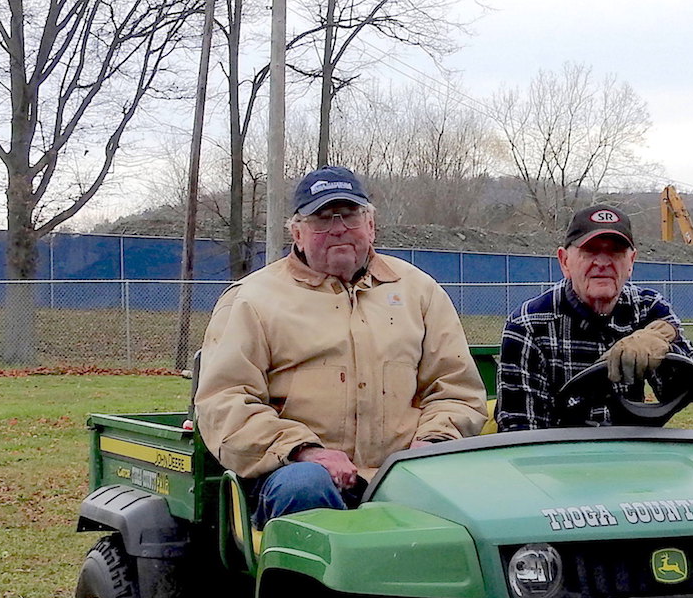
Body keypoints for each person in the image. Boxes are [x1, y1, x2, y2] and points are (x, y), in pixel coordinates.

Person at [195, 166, 486, 527]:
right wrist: (305, 452)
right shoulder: (251, 300)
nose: (337, 228)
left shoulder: (418, 291)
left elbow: (455, 389)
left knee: (483, 492)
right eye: (321, 219)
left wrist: (432, 441)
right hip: (292, 473)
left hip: (401, 471)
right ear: (297, 234)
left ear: (370, 225)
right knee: (305, 486)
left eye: (349, 215)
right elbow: (223, 403)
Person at [495, 203, 693, 432]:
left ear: (631, 262)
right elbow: (521, 430)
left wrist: (662, 347)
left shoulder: (649, 309)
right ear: (564, 261)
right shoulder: (528, 325)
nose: (603, 262)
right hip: (557, 458)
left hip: (633, 453)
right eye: (591, 250)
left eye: (615, 251)